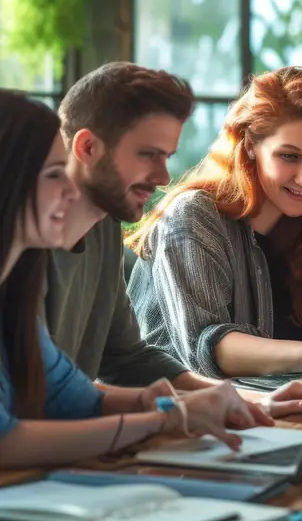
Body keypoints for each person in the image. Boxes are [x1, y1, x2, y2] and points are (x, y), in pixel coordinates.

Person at [0, 90, 281, 470]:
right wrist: (166, 419)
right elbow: (8, 441)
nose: (70, 189)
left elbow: (79, 399)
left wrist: (169, 404)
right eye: (54, 174)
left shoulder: (15, 300)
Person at [47, 63, 302, 415]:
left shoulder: (102, 228)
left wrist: (253, 401)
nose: (163, 178)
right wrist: (169, 419)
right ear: (87, 147)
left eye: (167, 157)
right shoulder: (24, 242)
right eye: (148, 155)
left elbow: (130, 360)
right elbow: (42, 400)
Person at [128, 66, 302, 379]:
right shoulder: (192, 216)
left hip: (276, 412)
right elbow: (206, 346)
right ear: (249, 145)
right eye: (289, 156)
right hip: (176, 415)